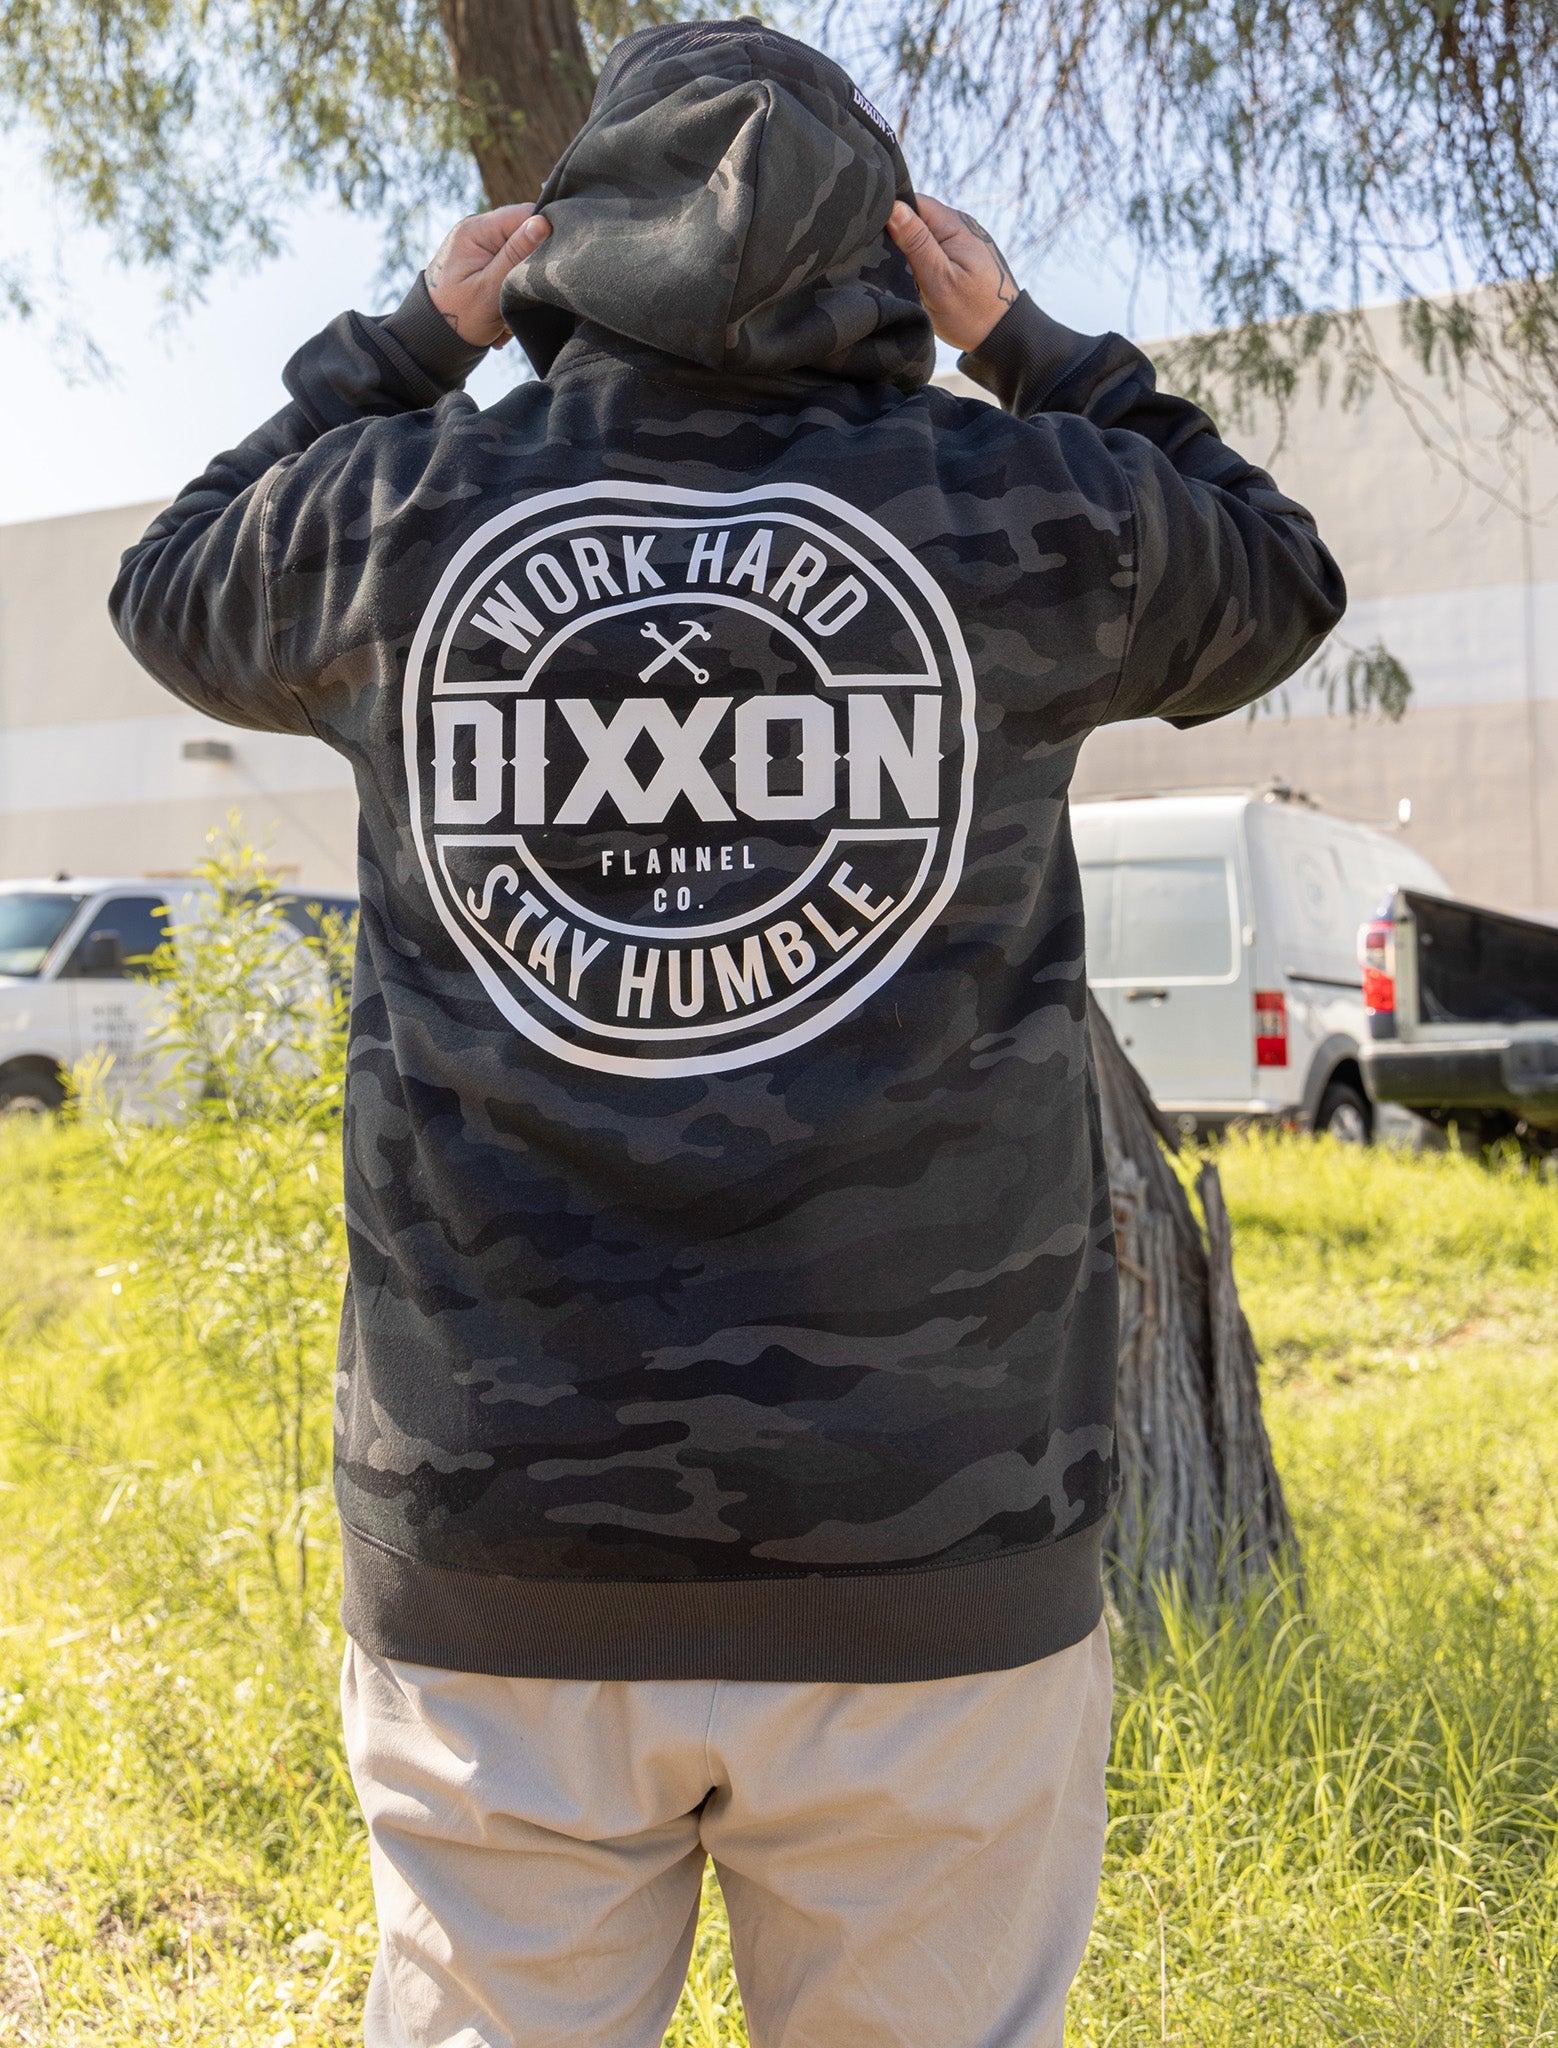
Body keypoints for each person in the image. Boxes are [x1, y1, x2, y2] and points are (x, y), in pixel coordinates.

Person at [111, 19, 1344, 2046]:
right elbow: (1279, 579)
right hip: (939, 1548)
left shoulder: (401, 511)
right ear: (895, 244)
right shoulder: (1029, 506)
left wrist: (408, 347)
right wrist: (1034, 347)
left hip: (500, 1537)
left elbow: (168, 586)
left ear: (567, 236)